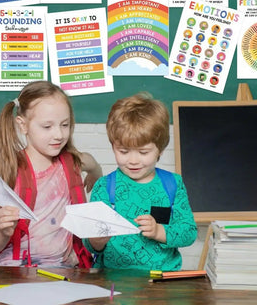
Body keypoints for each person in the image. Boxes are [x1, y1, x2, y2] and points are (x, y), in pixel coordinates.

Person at [0, 81, 102, 267]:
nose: (59, 135)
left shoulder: (73, 162)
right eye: (47, 127)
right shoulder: (11, 170)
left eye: (65, 124)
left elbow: (91, 162)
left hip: (63, 268)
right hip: (16, 269)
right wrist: (2, 231)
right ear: (23, 126)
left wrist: (96, 174)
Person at [83, 93, 197, 270]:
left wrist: (160, 231)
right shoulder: (104, 187)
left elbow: (188, 232)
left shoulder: (172, 184)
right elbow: (89, 244)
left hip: (162, 280)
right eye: (123, 151)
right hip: (115, 279)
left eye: (143, 152)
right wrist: (96, 241)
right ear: (113, 146)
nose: (133, 160)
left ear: (160, 149)